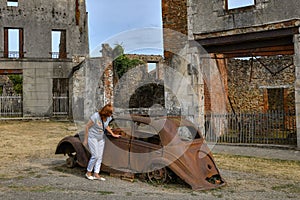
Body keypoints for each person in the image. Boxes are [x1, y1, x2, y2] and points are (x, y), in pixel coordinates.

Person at [83, 103, 120, 180]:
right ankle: (88, 172)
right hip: (93, 137)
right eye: (111, 112)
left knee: (99, 156)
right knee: (95, 155)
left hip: (100, 138)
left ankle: (96, 173)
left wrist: (113, 134)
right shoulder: (96, 116)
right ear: (106, 112)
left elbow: (106, 126)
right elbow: (87, 127)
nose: (112, 114)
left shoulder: (108, 118)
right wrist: (86, 139)